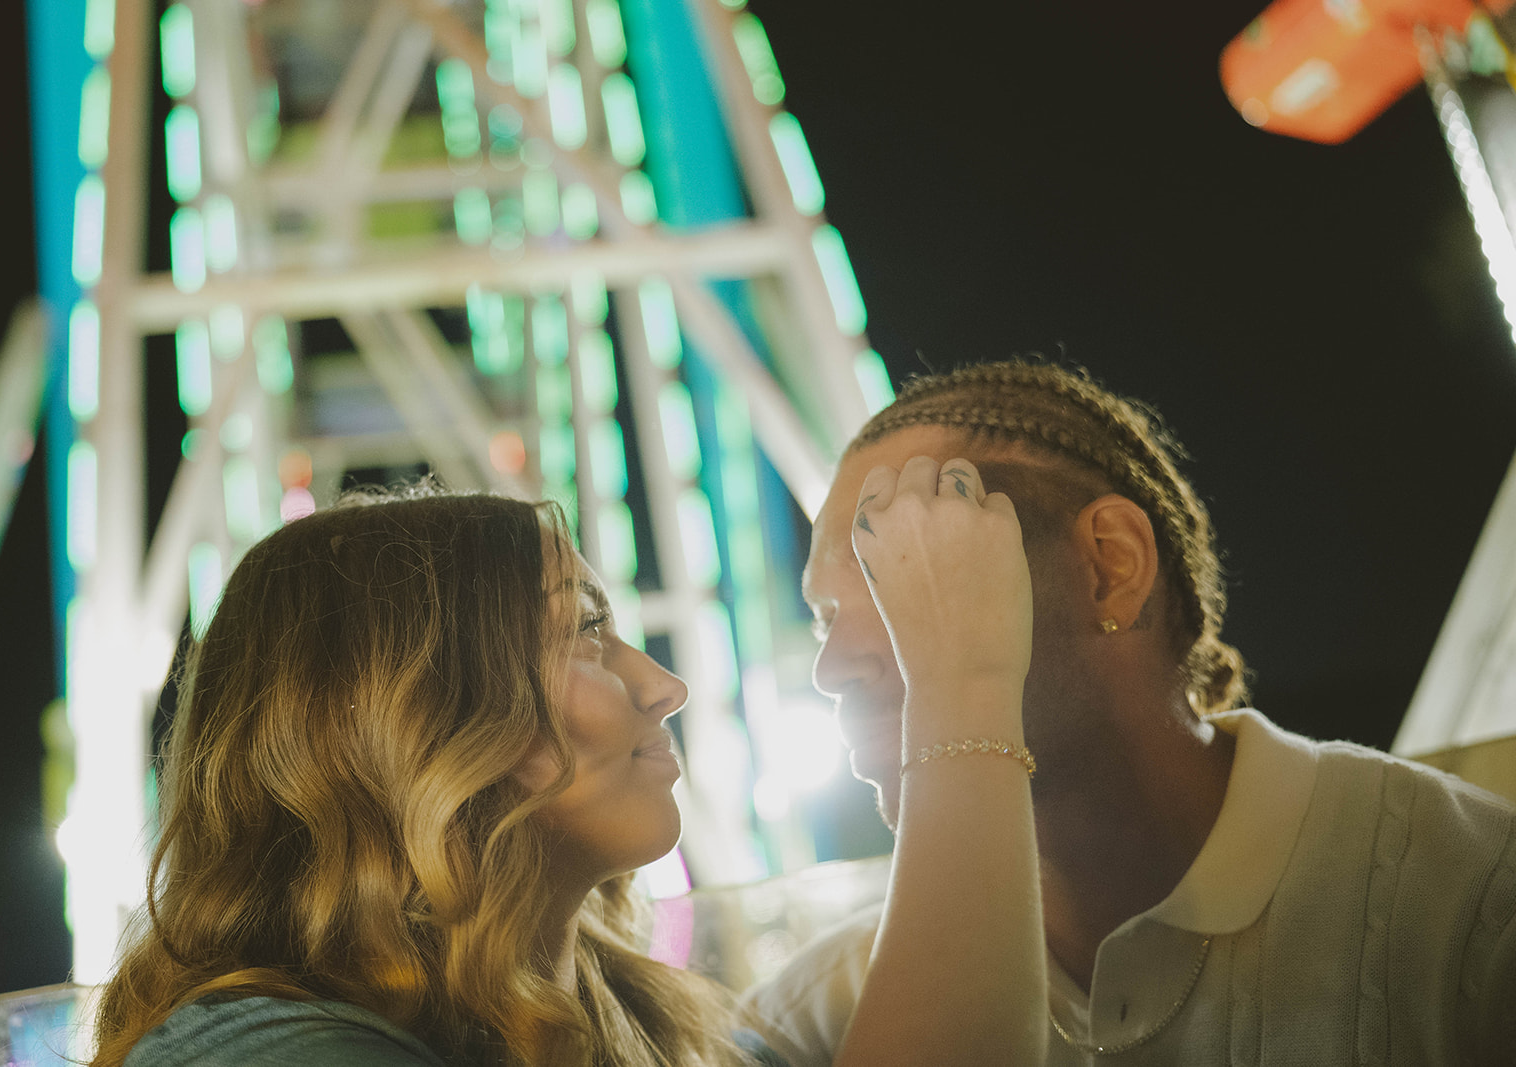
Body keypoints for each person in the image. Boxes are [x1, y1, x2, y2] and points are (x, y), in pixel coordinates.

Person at [88, 481, 1048, 1067]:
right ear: (419, 710)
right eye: (586, 631)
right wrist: (963, 687)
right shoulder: (248, 1051)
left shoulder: (658, 1022)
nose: (663, 685)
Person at [742, 358, 1516, 1065]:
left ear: (1111, 565)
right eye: (821, 616)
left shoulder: (1468, 910)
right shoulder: (807, 1023)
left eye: (897, 573)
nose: (830, 667)